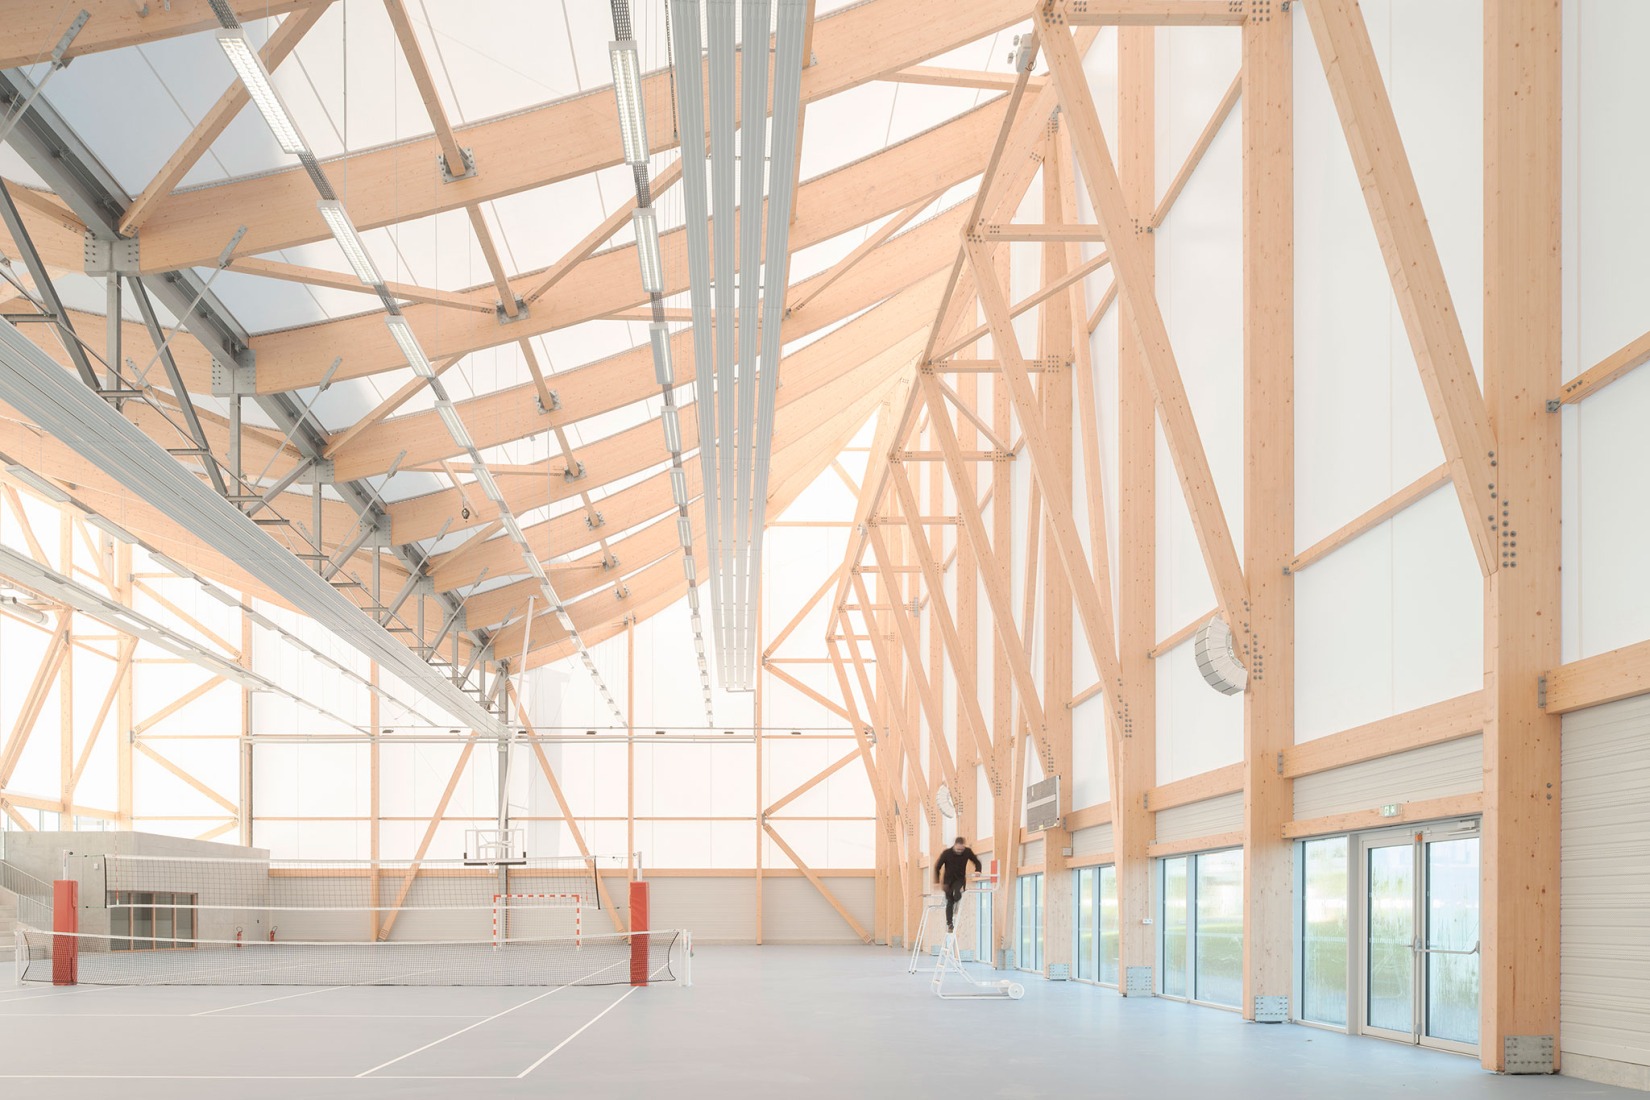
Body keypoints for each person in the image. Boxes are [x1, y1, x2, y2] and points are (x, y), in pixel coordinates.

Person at [933, 837, 982, 934]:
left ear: (964, 846)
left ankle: (956, 901)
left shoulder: (967, 852)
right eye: (958, 849)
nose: (960, 851)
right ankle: (950, 923)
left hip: (959, 879)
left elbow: (976, 861)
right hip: (948, 881)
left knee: (957, 895)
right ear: (954, 845)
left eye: (961, 849)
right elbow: (937, 867)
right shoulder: (947, 853)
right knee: (949, 902)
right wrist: (937, 881)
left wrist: (978, 870)